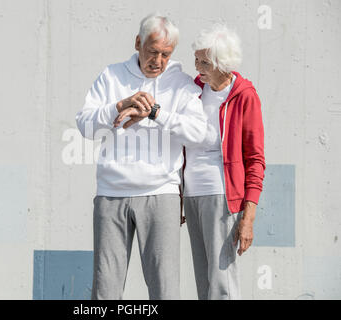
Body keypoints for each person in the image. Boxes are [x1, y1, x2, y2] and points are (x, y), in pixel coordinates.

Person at [76, 14, 207, 300]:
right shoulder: (111, 76)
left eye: (165, 54)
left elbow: (198, 133)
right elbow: (84, 124)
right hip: (111, 194)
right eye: (152, 51)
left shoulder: (181, 85)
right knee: (105, 288)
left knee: (164, 287)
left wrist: (155, 113)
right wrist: (118, 106)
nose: (158, 60)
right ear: (138, 43)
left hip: (161, 194)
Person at [183, 24, 266, 300]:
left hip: (221, 196)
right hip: (192, 195)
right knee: (203, 280)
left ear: (222, 63)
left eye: (205, 62)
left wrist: (248, 216)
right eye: (196, 59)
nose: (198, 67)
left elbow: (255, 159)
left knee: (222, 283)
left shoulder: (244, 96)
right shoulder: (193, 90)